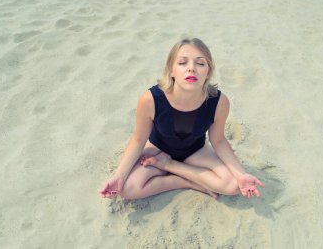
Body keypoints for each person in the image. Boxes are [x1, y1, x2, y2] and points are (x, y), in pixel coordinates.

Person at [101, 38, 264, 200]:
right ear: (171, 70)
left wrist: (241, 174)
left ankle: (169, 165)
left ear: (208, 72)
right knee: (128, 189)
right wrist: (119, 176)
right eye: (182, 63)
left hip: (195, 150)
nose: (191, 69)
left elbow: (219, 140)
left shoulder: (219, 102)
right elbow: (138, 139)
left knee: (233, 185)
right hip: (158, 149)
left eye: (200, 63)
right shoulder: (151, 99)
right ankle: (188, 182)